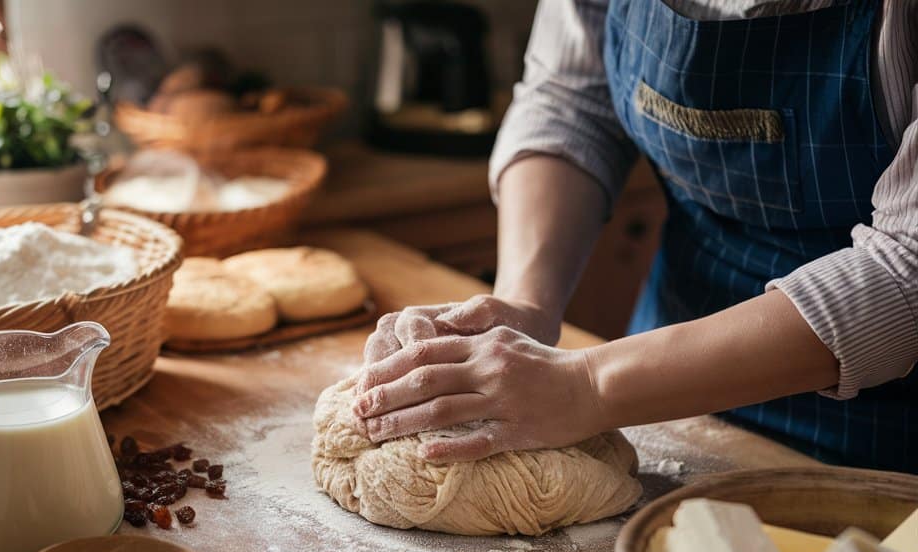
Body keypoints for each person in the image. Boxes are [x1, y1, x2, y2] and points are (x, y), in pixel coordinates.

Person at [354, 0, 918, 473]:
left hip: (884, 438)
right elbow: (572, 102)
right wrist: (525, 302)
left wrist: (590, 387)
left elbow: (908, 266)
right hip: (664, 389)